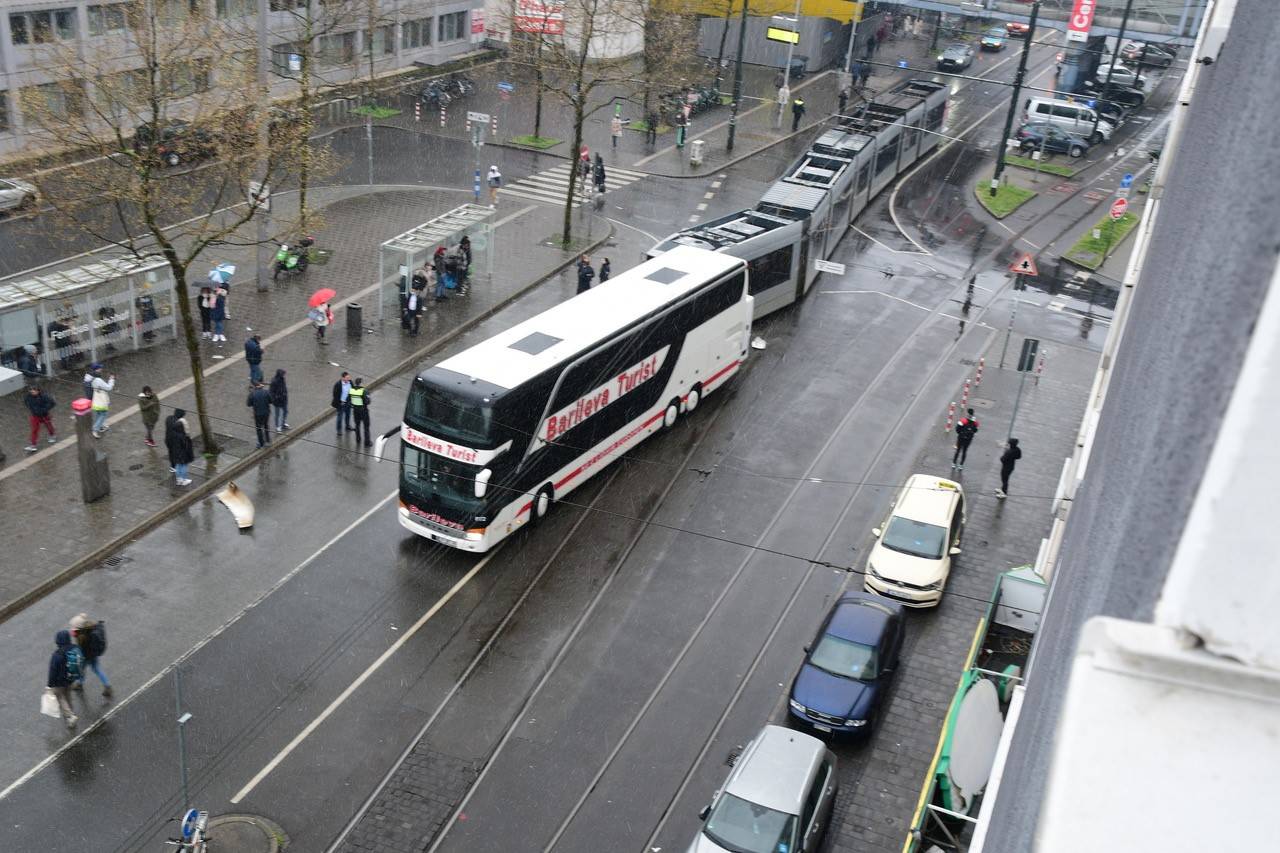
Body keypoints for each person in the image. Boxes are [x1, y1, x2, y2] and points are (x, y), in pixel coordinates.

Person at [71, 613, 111, 700]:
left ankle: (79, 684)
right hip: (94, 654)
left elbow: (80, 647)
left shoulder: (82, 636)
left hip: (85, 656)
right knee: (97, 670)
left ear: (79, 627)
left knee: (81, 670)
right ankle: (107, 686)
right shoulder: (91, 628)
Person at [46, 630, 80, 729]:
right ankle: (71, 713)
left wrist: (50, 684)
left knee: (59, 697)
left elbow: (52, 671)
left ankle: (70, 716)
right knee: (68, 695)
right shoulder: (74, 648)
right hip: (71, 678)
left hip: (59, 681)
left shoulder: (57, 655)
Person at [165, 409, 195, 486]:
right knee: (183, 465)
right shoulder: (182, 436)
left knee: (178, 465)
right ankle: (184, 479)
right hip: (182, 453)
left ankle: (179, 480)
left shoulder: (173, 430)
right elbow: (186, 445)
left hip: (175, 450)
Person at [23, 385, 56, 451]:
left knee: (49, 426)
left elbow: (52, 403)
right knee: (34, 430)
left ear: (38, 391)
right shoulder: (28, 397)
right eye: (31, 391)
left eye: (34, 391)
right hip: (35, 416)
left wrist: (44, 409)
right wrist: (33, 410)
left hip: (44, 415)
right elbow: (27, 403)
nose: (32, 392)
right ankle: (33, 445)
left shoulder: (44, 396)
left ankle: (52, 435)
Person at [246, 380, 272, 448]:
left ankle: (261, 443)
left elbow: (248, 404)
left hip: (257, 414)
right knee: (266, 426)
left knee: (259, 428)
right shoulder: (266, 392)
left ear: (254, 387)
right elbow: (271, 401)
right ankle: (268, 441)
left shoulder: (252, 394)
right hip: (266, 412)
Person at [90, 369, 115, 438]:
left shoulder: (93, 381)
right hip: (101, 402)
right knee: (103, 415)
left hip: (96, 401)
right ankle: (95, 429)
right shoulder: (99, 381)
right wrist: (111, 379)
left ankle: (101, 427)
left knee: (99, 414)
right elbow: (109, 388)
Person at [349, 377, 372, 448]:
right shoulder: (364, 391)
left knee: (357, 425)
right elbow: (368, 402)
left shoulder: (351, 390)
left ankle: (358, 439)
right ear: (361, 383)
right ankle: (367, 442)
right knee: (366, 426)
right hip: (363, 410)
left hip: (355, 410)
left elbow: (350, 399)